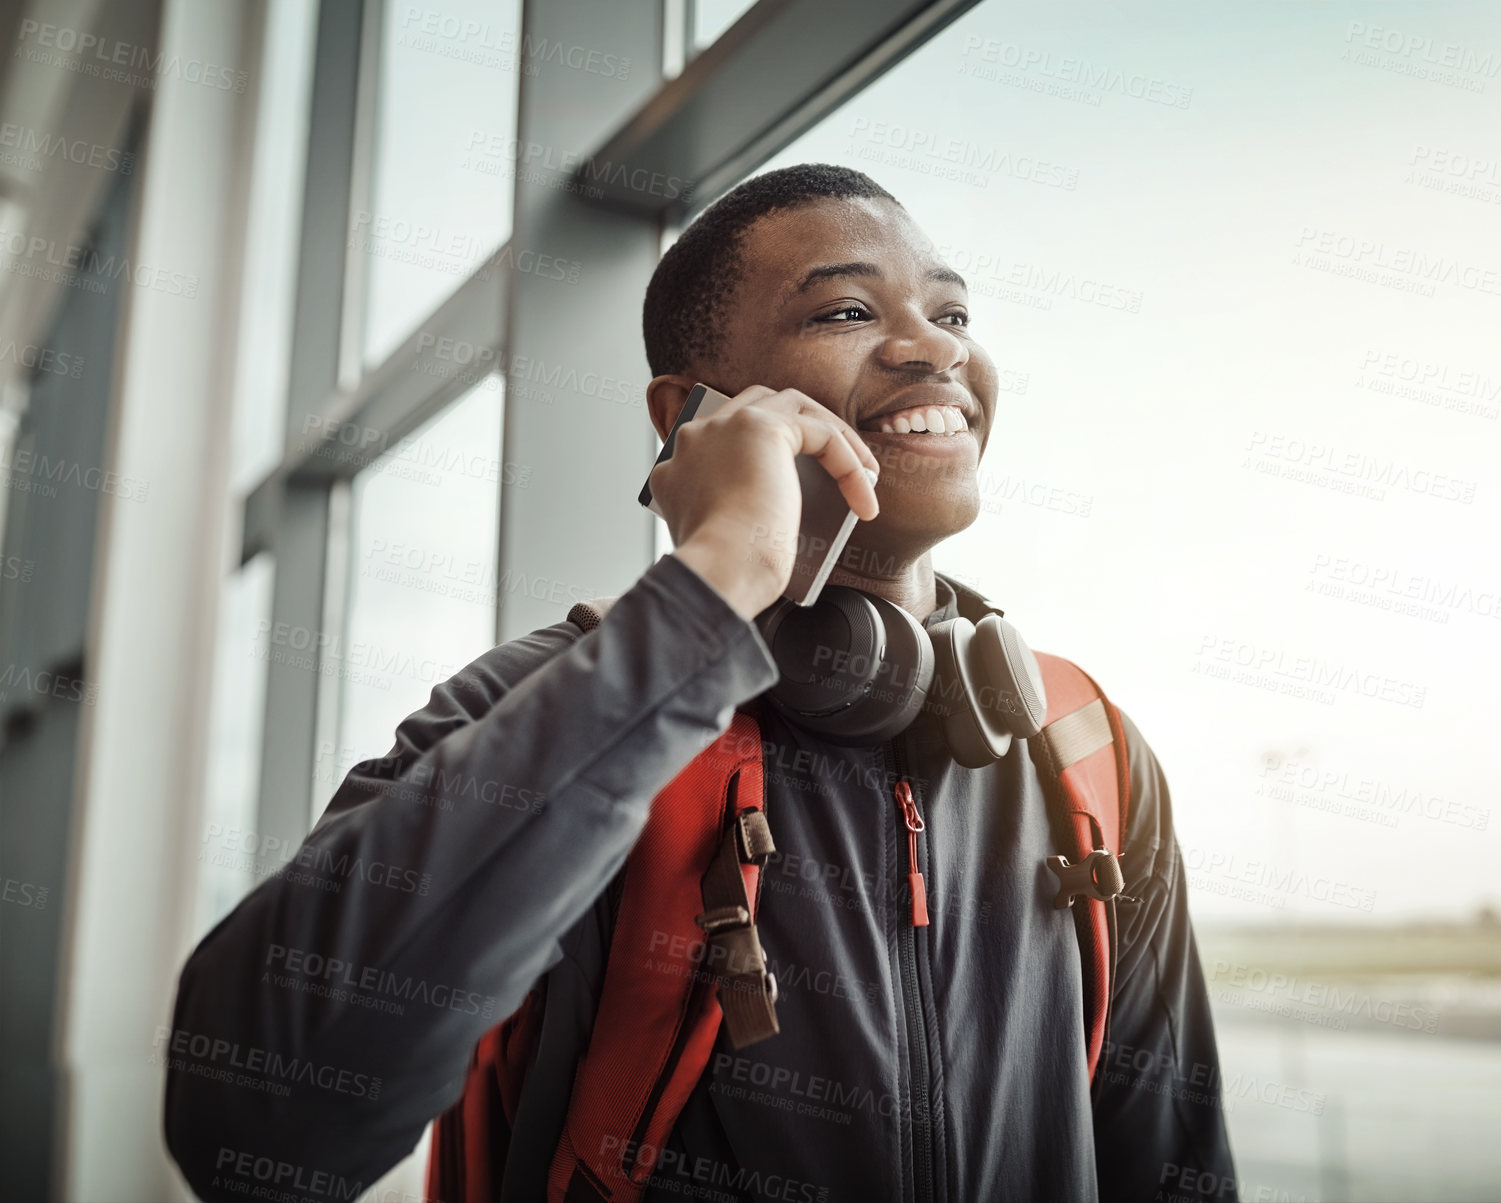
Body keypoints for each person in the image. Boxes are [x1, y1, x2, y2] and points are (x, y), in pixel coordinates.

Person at [164, 163, 1238, 1203]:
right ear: (693, 411)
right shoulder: (553, 705)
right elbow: (255, 1126)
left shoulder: (1080, 749)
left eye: (952, 316)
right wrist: (715, 583)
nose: (930, 350)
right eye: (848, 313)